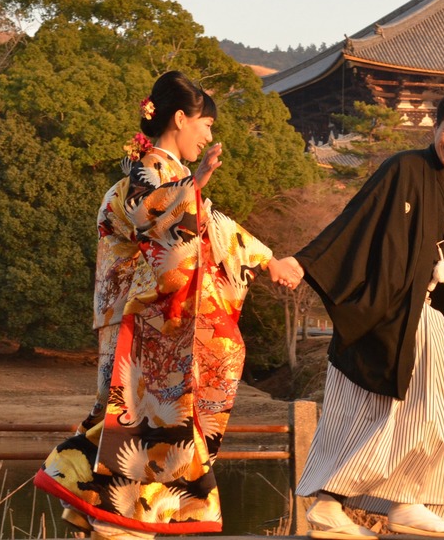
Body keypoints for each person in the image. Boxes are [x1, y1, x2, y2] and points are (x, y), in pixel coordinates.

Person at [275, 87, 444, 539]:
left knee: (438, 412)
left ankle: (401, 502)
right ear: (434, 126)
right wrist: (303, 262)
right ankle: (338, 503)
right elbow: (355, 220)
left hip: (425, 313)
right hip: (385, 309)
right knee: (379, 411)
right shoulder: (404, 168)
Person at [35, 71, 296, 539]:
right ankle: (116, 520)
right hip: (142, 326)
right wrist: (192, 186)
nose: (210, 135)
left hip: (156, 326)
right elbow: (148, 218)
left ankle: (114, 520)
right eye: (207, 125)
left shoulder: (170, 177)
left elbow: (214, 226)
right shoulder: (148, 175)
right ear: (181, 118)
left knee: (145, 428)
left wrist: (268, 259)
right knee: (138, 426)